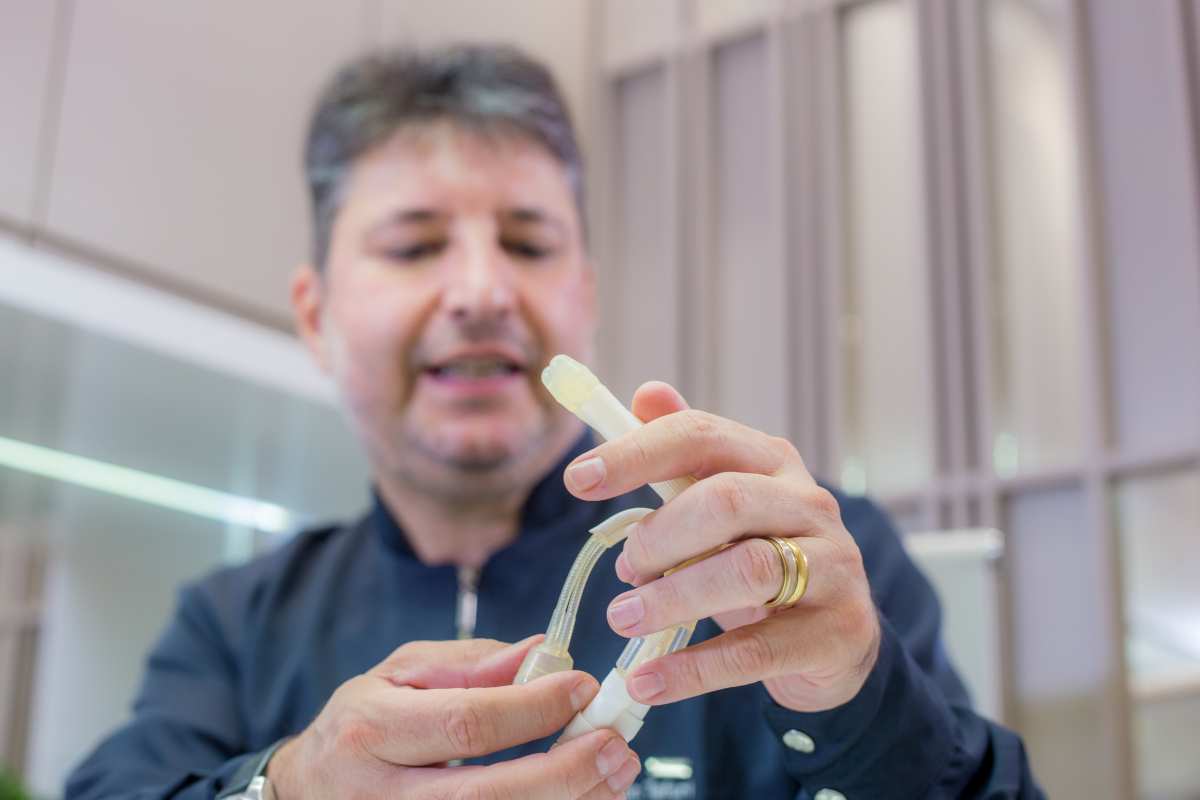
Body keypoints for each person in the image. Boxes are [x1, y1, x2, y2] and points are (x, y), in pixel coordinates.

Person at [66, 46, 1042, 800]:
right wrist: (284, 785)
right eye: (415, 244)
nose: (483, 290)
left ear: (587, 296)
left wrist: (865, 696)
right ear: (317, 316)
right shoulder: (237, 625)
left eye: (528, 243)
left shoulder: (792, 565)